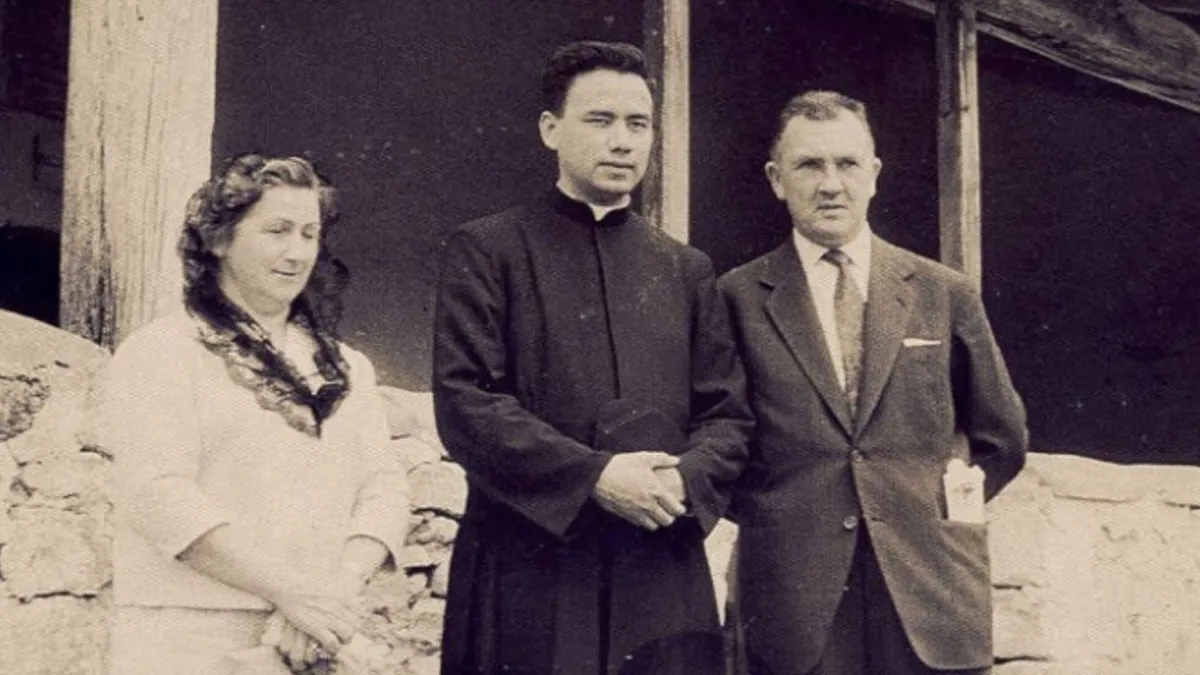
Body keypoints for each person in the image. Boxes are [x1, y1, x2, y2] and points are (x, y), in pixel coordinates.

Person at [433, 41, 753, 675]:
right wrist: (594, 478)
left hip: (658, 567)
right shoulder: (489, 250)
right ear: (550, 129)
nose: (623, 142)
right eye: (600, 120)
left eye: (638, 124)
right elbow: (466, 402)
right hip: (530, 565)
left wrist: (682, 482)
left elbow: (728, 416)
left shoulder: (686, 270)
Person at [719, 91, 1028, 675]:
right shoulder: (736, 297)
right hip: (795, 598)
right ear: (776, 179)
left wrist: (928, 512)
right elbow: (720, 438)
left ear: (875, 174)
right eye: (809, 165)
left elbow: (1002, 438)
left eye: (848, 163)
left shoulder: (943, 292)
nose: (831, 184)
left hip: (929, 589)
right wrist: (782, 516)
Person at [106, 154, 410, 675]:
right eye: (277, 231)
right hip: (189, 636)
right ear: (219, 239)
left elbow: (385, 488)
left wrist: (329, 598)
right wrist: (289, 592)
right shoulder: (162, 351)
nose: (297, 253)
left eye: (310, 234)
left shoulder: (348, 368)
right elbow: (159, 495)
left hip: (311, 639)